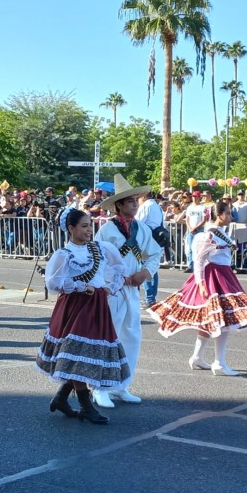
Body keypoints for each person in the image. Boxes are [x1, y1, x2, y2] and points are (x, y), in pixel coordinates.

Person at [149, 201, 247, 375]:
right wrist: (200, 283)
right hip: (214, 276)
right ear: (218, 215)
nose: (231, 216)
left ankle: (197, 357)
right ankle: (219, 363)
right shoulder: (208, 234)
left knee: (212, 319)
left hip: (223, 274)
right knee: (222, 320)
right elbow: (199, 260)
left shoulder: (221, 232)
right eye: (228, 213)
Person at [36, 208, 129, 424]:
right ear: (71, 228)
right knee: (76, 353)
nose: (89, 230)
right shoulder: (64, 255)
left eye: (90, 225)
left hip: (96, 304)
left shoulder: (101, 248)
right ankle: (86, 406)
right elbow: (53, 283)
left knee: (81, 355)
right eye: (84, 226)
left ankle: (61, 398)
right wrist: (79, 286)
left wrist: (110, 287)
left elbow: (120, 269)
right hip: (75, 307)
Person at [93, 174, 161, 408]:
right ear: (119, 205)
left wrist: (145, 273)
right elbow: (97, 258)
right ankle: (100, 387)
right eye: (130, 201)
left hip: (132, 290)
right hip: (112, 291)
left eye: (136, 200)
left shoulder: (142, 229)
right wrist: (111, 280)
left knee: (131, 336)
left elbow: (154, 254)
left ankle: (121, 385)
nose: (135, 203)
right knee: (108, 336)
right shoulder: (106, 231)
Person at [136, 190, 165, 307]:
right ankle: (151, 297)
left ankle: (149, 297)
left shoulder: (146, 206)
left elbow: (138, 222)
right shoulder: (157, 206)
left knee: (145, 266)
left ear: (143, 196)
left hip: (147, 237)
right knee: (152, 267)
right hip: (156, 237)